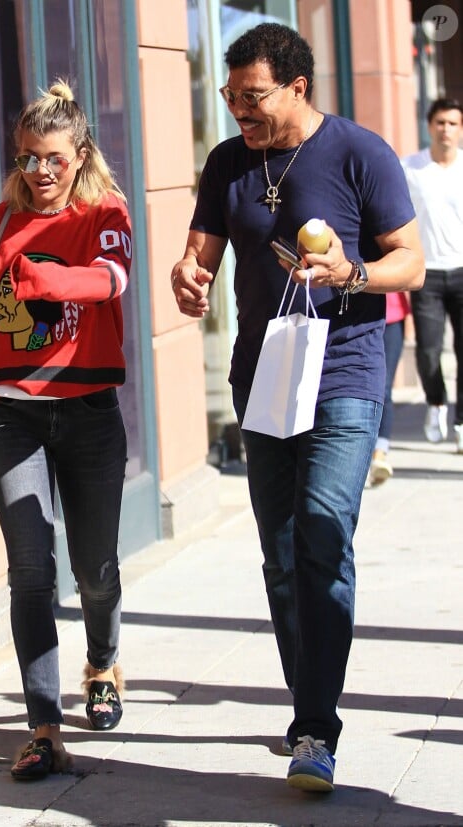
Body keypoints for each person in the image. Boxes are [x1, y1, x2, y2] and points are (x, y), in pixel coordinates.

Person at [171, 23, 424, 793]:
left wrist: (352, 272)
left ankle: (316, 724)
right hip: (264, 375)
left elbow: (409, 261)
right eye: (230, 97)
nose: (239, 113)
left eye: (252, 98)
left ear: (296, 87)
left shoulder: (358, 152)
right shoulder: (226, 163)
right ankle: (308, 706)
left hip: (346, 367)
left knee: (321, 533)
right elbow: (200, 252)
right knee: (281, 557)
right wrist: (189, 277)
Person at [0, 80, 132, 781]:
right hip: (12, 414)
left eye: (53, 158)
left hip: (88, 413)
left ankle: (104, 659)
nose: (40, 172)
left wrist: (47, 285)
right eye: (27, 158)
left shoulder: (105, 212)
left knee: (96, 570)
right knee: (30, 567)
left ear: (80, 155)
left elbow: (112, 278)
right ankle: (44, 727)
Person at [401, 99, 463, 451]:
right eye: (440, 122)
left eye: (453, 123)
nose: (446, 130)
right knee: (427, 352)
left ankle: (461, 421)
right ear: (429, 126)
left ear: (460, 128)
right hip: (427, 275)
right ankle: (437, 402)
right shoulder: (410, 168)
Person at [368, 291, 412, 486]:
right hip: (352, 315)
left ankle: (379, 455)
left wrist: (410, 320)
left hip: (393, 316)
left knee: (384, 388)